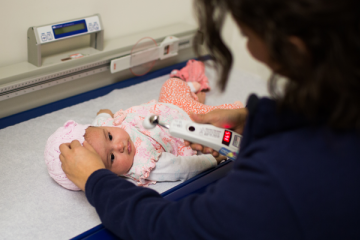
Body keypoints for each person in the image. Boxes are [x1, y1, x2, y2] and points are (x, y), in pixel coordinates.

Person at [59, 0, 360, 239]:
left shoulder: (284, 177)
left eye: (246, 36)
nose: (251, 50)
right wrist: (252, 118)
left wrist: (95, 179)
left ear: (294, 49)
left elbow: (168, 229)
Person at [45, 60, 242, 190]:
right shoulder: (145, 164)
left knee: (171, 85)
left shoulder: (101, 130)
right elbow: (183, 168)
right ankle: (216, 106)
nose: (119, 146)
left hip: (167, 108)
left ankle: (191, 93)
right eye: (112, 157)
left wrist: (103, 112)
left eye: (110, 137)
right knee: (218, 125)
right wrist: (211, 161)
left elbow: (101, 120)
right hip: (189, 127)